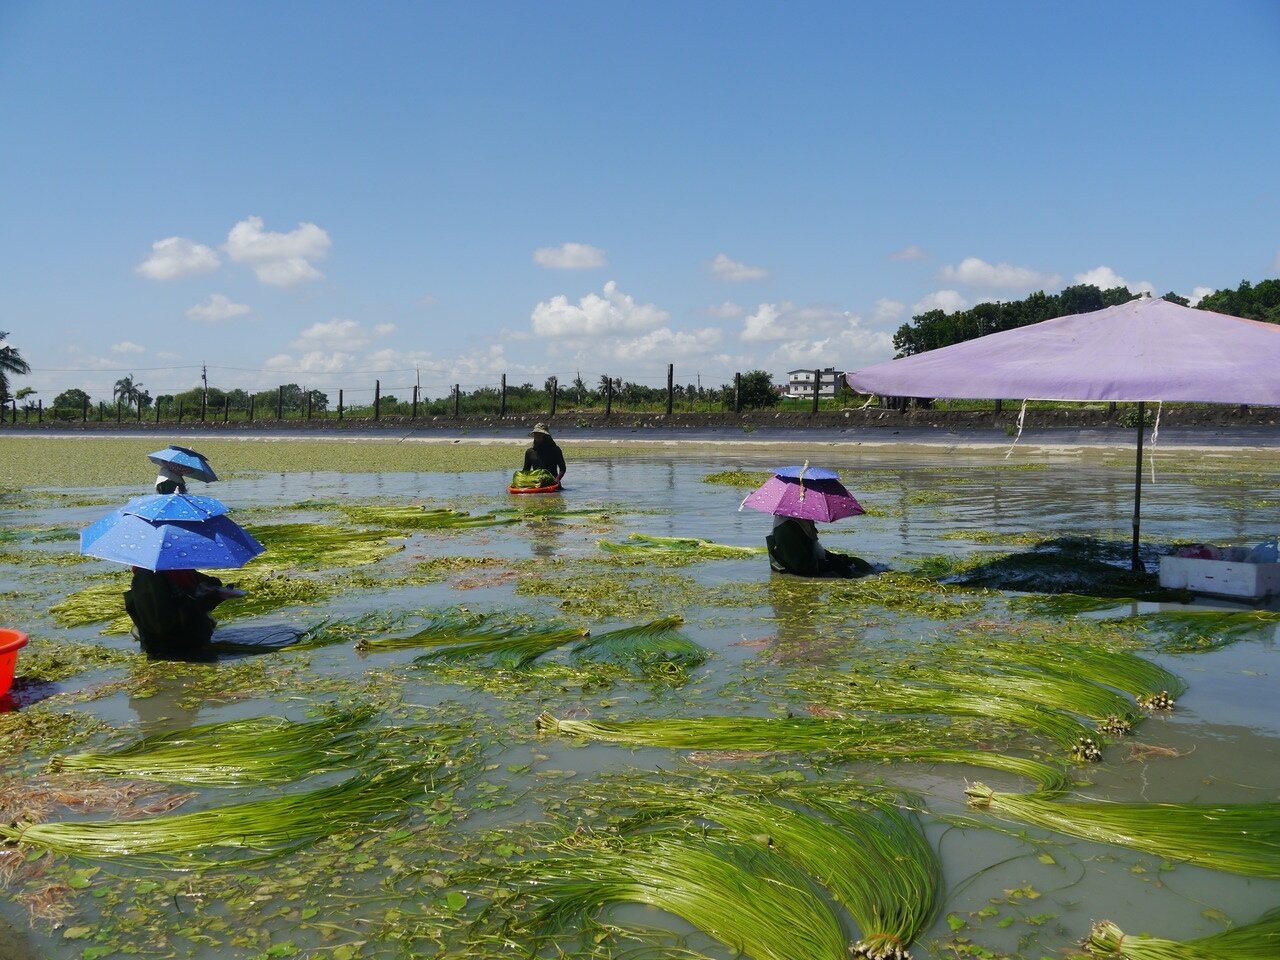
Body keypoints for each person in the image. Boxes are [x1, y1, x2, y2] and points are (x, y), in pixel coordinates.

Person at [123, 567, 242, 660]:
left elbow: (159, 624)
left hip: (172, 650)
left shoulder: (147, 575)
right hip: (195, 641)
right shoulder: (178, 570)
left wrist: (213, 595)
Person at [766, 515, 871, 578]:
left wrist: (833, 557)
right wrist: (833, 565)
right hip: (789, 570)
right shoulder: (787, 527)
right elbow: (801, 565)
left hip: (801, 563)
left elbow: (809, 548)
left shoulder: (800, 519)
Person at [516, 423, 566, 487]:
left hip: (553, 484)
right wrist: (519, 481)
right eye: (536, 434)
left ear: (546, 436)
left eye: (540, 434)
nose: (537, 436)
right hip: (537, 484)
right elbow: (526, 470)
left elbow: (562, 468)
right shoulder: (530, 452)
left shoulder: (555, 450)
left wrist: (557, 479)